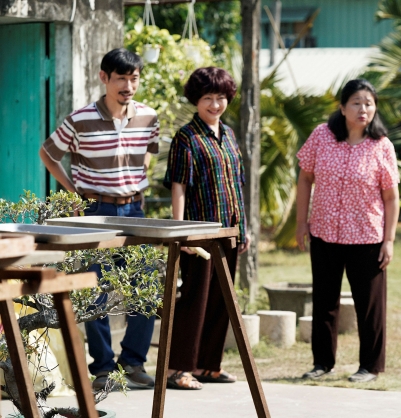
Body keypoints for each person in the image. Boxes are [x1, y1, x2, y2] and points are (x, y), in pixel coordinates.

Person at [39, 48, 160, 390]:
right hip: (94, 212)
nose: (128, 86)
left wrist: (135, 183)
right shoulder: (80, 120)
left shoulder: (149, 117)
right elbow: (48, 153)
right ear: (104, 78)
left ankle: (133, 363)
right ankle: (104, 368)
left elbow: (148, 154)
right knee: (94, 291)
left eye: (134, 78)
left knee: (145, 287)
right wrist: (73, 192)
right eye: (121, 78)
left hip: (135, 212)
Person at [295, 79, 400, 383]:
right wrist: (302, 222)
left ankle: (370, 366)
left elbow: (391, 198)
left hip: (367, 237)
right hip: (324, 232)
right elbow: (305, 179)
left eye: (368, 103)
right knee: (324, 301)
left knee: (369, 306)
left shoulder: (382, 146)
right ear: (342, 108)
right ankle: (322, 363)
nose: (362, 109)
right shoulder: (322, 136)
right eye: (356, 102)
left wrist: (389, 240)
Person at [163, 66, 249, 390]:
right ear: (196, 100)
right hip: (199, 233)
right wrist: (180, 232)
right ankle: (177, 369)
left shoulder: (229, 134)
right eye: (208, 98)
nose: (215, 104)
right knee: (194, 301)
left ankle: (207, 366)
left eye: (221, 97)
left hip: (230, 230)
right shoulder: (186, 137)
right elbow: (179, 185)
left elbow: (237, 183)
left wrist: (243, 227)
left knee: (221, 300)